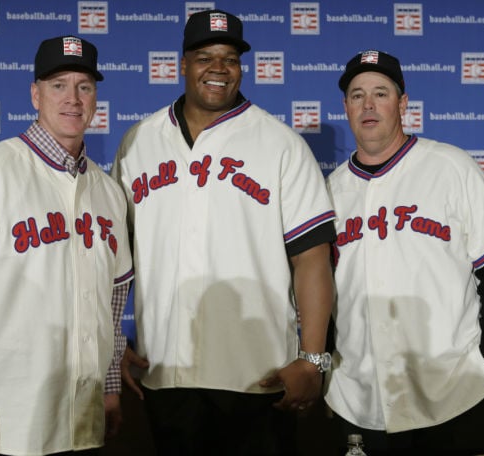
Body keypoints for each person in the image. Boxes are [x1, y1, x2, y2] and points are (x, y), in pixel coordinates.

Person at [111, 9, 336, 455]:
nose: (218, 68)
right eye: (204, 56)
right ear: (182, 64)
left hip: (260, 377)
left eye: (230, 58)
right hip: (167, 374)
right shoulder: (139, 141)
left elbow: (312, 257)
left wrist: (312, 360)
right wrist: (110, 343)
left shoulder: (281, 144)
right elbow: (113, 258)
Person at [0, 35, 133, 456]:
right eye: (58, 85)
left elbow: (113, 303)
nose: (73, 98)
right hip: (1, 419)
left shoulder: (109, 192)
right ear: (35, 94)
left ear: (95, 98)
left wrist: (108, 388)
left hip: (82, 415)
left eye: (84, 86)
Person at [325, 49, 484, 455]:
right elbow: (319, 290)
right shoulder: (330, 190)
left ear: (403, 103)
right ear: (345, 107)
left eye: (381, 93)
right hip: (360, 398)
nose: (369, 105)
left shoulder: (451, 167)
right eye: (358, 95)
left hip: (455, 391)